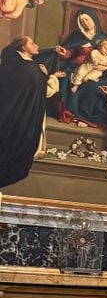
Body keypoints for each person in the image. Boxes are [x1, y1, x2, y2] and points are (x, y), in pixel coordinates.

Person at [0, 36, 65, 187]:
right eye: (32, 43)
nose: (37, 45)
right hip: (20, 116)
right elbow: (44, 91)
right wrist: (48, 77)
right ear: (23, 48)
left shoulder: (13, 62)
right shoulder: (30, 69)